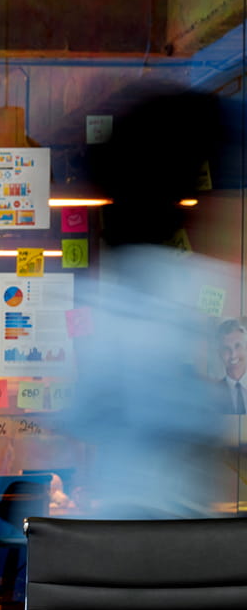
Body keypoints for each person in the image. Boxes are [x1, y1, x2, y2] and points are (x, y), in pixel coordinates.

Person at [60, 88, 239, 518]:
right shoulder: (182, 290)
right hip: (161, 526)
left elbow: (83, 412)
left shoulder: (110, 296)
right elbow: (180, 416)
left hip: (129, 523)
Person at [215, 317, 247, 414]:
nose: (233, 355)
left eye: (238, 346)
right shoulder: (213, 393)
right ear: (219, 353)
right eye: (226, 349)